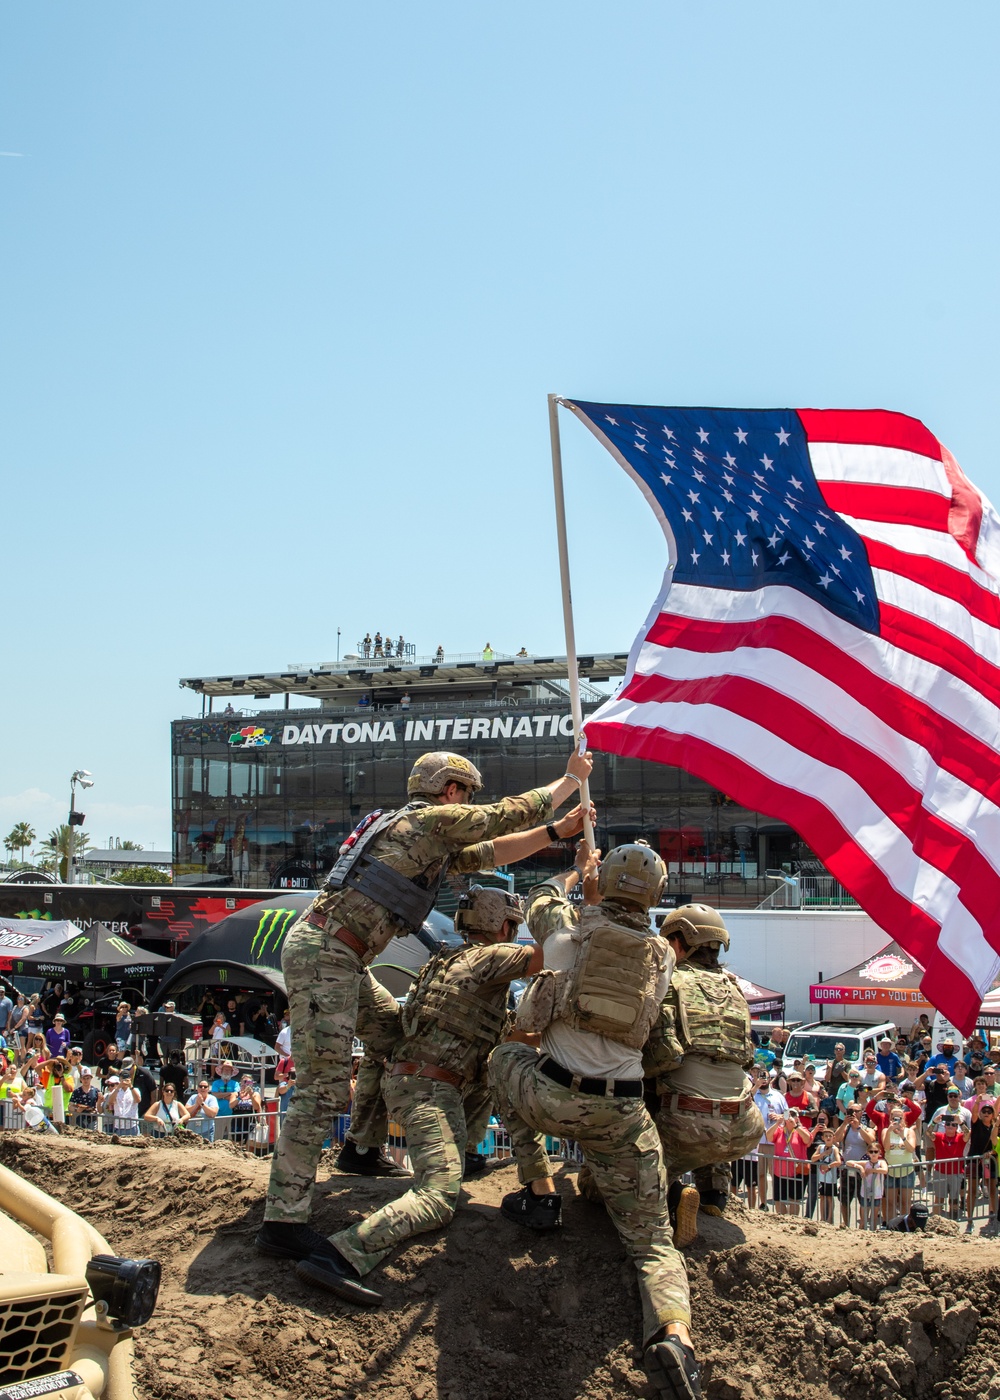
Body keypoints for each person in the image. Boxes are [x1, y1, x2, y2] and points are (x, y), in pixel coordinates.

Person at [255, 746, 595, 1267]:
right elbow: (505, 816)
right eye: (467, 795)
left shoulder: (423, 837)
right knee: (321, 1087)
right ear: (451, 791)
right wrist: (569, 782)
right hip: (330, 951)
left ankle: (362, 1150)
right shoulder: (429, 821)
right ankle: (283, 1220)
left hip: (338, 952)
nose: (469, 804)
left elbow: (493, 851)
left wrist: (557, 833)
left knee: (395, 1037)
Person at [488, 841, 702, 1400]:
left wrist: (577, 874)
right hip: (622, 1114)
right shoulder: (664, 957)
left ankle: (538, 1188)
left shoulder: (565, 934)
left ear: (604, 882)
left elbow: (539, 898)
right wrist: (598, 891)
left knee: (503, 1058)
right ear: (655, 896)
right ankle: (675, 1337)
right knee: (654, 1242)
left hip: (553, 1097)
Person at [303, 886, 539, 1303]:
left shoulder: (447, 959)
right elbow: (554, 954)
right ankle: (339, 1253)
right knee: (437, 1197)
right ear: (504, 925)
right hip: (429, 1091)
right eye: (513, 925)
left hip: (418, 1081)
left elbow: (495, 1033)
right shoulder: (492, 957)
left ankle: (457, 1153)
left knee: (494, 1059)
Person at [641, 904, 762, 1244]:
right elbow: (746, 1058)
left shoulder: (669, 981)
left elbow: (655, 1058)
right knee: (714, 1095)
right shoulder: (734, 990)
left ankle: (674, 1195)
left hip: (689, 1125)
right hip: (745, 1127)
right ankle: (714, 1197)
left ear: (678, 942)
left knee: (611, 1180)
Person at [881, 1106, 919, 1221]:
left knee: (905, 1202)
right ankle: (891, 1225)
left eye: (899, 1117)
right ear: (890, 1118)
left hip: (907, 1171)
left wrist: (902, 1136)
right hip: (891, 1171)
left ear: (903, 1118)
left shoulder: (909, 1131)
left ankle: (905, 1224)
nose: (896, 1120)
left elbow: (911, 1149)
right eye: (894, 1117)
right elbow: (886, 1147)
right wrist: (889, 1131)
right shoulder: (885, 1131)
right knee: (890, 1202)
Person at [810, 1127, 842, 1224]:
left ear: (833, 1138)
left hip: (830, 1178)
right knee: (822, 1197)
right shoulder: (821, 1147)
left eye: (830, 1136)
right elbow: (812, 1159)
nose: (828, 1138)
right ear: (823, 1138)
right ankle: (822, 1217)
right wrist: (823, 1154)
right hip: (822, 1177)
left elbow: (838, 1161)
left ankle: (829, 1218)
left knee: (829, 1197)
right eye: (826, 1136)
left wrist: (829, 1166)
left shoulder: (835, 1149)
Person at [229, 1075, 263, 1145]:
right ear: (240, 1083)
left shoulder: (255, 1094)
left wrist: (251, 1095)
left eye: (248, 1082)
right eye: (244, 1082)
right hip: (237, 1123)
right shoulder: (235, 1094)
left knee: (249, 1144)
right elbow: (231, 1105)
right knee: (237, 1144)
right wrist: (239, 1098)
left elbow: (256, 1107)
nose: (246, 1084)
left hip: (250, 1122)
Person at [211, 1060, 239, 1139]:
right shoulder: (216, 1083)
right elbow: (215, 1094)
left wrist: (221, 1095)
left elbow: (236, 1094)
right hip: (219, 1115)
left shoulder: (235, 1083)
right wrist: (230, 1094)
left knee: (232, 1138)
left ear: (231, 1072)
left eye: (229, 1070)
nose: (226, 1071)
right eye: (225, 1069)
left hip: (232, 1115)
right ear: (221, 1070)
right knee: (217, 1137)